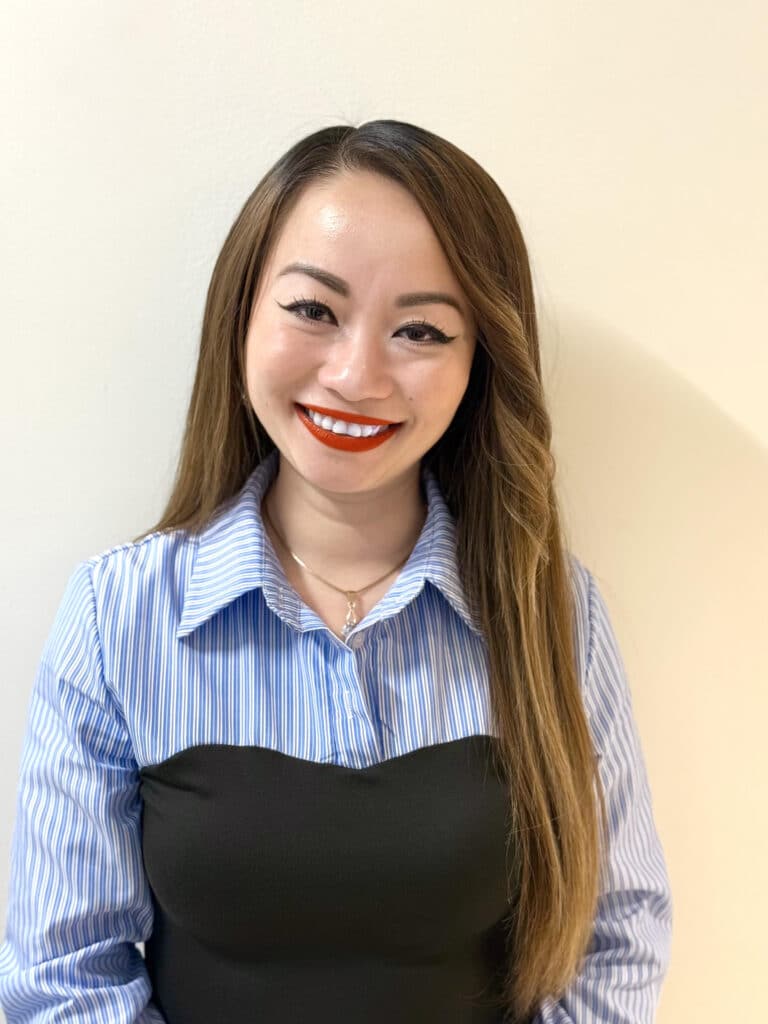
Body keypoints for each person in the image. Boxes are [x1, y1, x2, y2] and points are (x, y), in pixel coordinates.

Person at [0, 120, 672, 1023]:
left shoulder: (552, 611)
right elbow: (61, 978)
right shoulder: (118, 615)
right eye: (314, 310)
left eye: (422, 330)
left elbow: (616, 936)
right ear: (242, 316)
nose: (356, 375)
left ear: (480, 364)